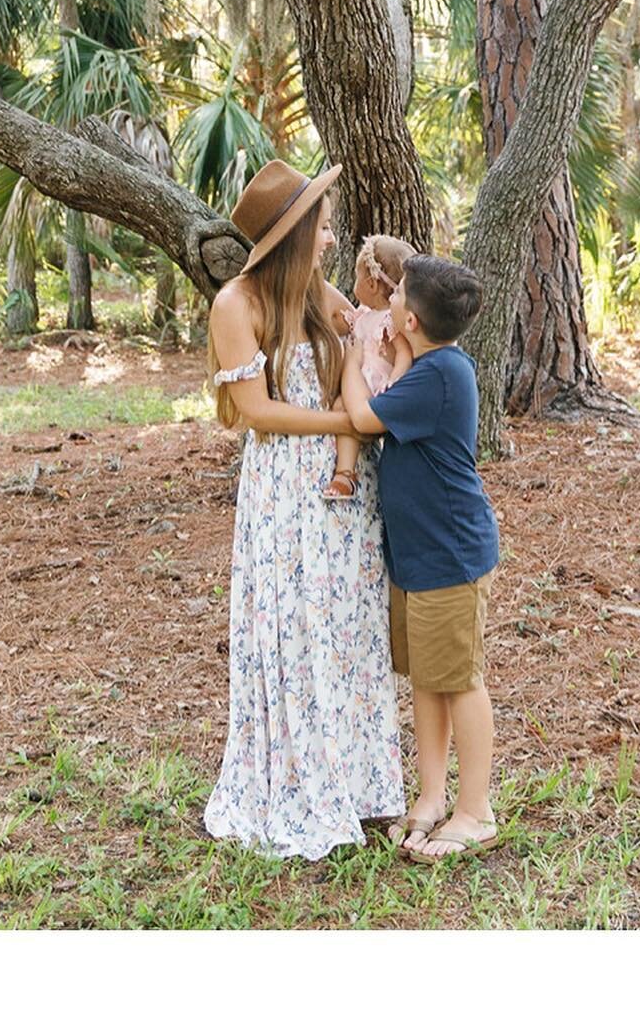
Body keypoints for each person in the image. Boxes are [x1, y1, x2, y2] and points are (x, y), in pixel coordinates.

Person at [202, 158, 404, 859]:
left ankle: (356, 782)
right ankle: (293, 781)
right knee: (292, 629)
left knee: (346, 630)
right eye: (320, 224)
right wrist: (347, 426)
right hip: (286, 493)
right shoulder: (237, 304)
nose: (328, 237)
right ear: (292, 235)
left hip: (346, 498)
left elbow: (376, 338)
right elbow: (254, 411)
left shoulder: (318, 294)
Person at [341, 252, 501, 862]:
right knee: (429, 682)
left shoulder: (439, 378)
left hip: (450, 554)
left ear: (409, 321)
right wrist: (394, 347)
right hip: (421, 554)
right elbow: (403, 367)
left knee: (459, 682)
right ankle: (433, 796)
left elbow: (360, 416)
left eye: (398, 293)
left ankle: (475, 810)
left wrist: (354, 359)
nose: (390, 297)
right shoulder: (434, 364)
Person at [322, 232, 416, 503]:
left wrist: (395, 381)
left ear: (372, 284)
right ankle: (347, 471)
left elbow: (404, 354)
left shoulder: (389, 319)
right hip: (357, 376)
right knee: (340, 409)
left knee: (344, 410)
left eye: (356, 277)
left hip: (373, 381)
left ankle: (345, 473)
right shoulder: (364, 313)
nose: (353, 284)